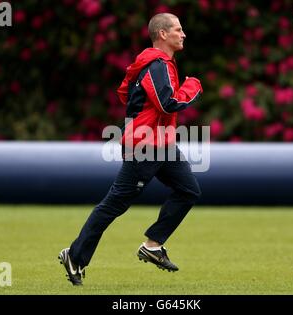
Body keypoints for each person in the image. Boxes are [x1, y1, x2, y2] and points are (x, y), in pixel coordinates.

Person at [58, 12, 203, 286]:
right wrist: (192, 87)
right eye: (178, 29)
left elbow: (127, 95)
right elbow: (166, 103)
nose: (183, 34)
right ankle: (75, 256)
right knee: (114, 204)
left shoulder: (156, 64)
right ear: (163, 34)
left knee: (189, 190)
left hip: (162, 144)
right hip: (146, 145)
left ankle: (153, 245)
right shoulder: (157, 65)